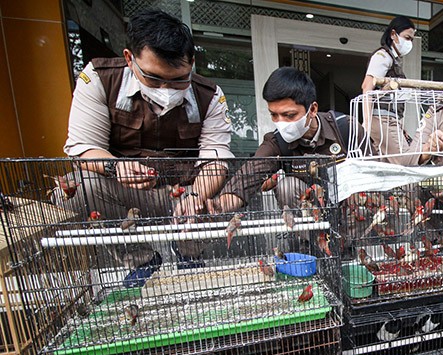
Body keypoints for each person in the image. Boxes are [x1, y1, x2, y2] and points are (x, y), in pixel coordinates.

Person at [63, 9, 233, 287]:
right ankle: (141, 260)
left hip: (181, 193)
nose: (166, 88)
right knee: (76, 189)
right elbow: (83, 148)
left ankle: (189, 253)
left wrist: (196, 194)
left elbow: (215, 161)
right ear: (130, 59)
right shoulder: (100, 78)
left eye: (178, 79)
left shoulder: (210, 95)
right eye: (154, 79)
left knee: (221, 192)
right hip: (125, 191)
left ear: (191, 62)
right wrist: (115, 167)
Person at [211, 67, 374, 212]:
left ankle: (350, 242)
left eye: (289, 115)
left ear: (312, 109)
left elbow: (375, 172)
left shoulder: (346, 127)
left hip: (352, 211)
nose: (281, 122)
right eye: (274, 115)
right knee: (286, 186)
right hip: (311, 217)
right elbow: (249, 175)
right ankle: (314, 244)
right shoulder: (277, 142)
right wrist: (219, 205)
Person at [360, 16, 416, 163]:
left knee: (385, 167)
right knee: (406, 163)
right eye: (407, 37)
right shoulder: (382, 56)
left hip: (388, 119)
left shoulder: (393, 58)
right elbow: (367, 86)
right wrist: (366, 123)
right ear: (393, 35)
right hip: (383, 119)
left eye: (412, 39)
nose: (409, 43)